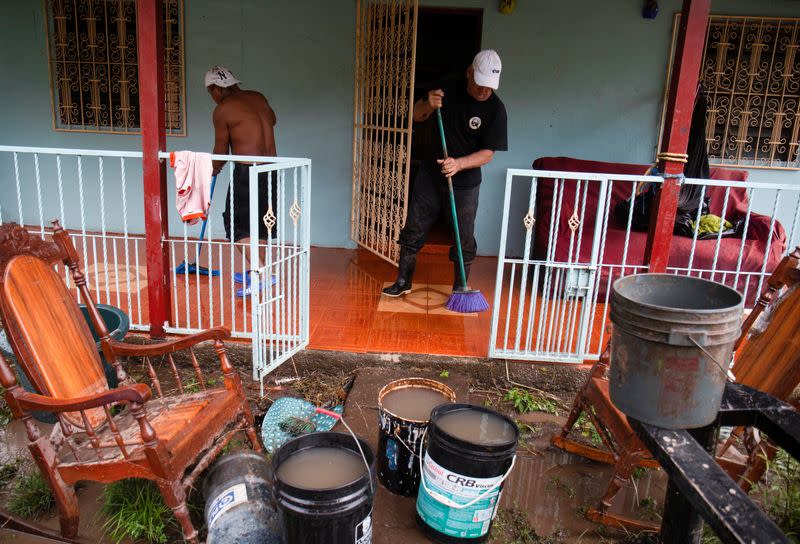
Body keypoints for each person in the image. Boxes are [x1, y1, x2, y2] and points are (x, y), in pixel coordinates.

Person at [382, 50, 508, 297]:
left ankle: (460, 287)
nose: (485, 91)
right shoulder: (447, 89)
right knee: (414, 226)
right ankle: (403, 281)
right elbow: (416, 116)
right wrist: (426, 104)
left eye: (490, 87)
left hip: (466, 182)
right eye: (480, 84)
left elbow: (488, 153)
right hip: (430, 174)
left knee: (464, 236)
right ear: (469, 73)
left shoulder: (496, 109)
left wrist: (459, 164)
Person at [205, 65, 278, 296]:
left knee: (237, 228)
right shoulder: (258, 97)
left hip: (247, 172)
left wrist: (212, 169)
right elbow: (272, 120)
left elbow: (220, 151)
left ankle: (261, 272)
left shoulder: (223, 110)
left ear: (216, 89)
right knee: (261, 224)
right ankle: (260, 272)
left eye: (210, 92)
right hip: (271, 169)